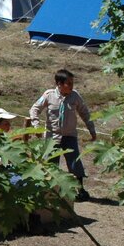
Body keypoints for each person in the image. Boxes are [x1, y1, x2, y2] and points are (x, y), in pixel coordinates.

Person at [29, 69, 97, 201]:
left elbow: (85, 112)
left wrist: (92, 129)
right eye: (68, 83)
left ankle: (80, 190)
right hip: (52, 137)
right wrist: (36, 126)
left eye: (72, 83)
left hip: (69, 136)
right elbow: (34, 109)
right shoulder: (48, 95)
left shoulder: (75, 96)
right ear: (59, 84)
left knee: (74, 163)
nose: (71, 86)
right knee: (51, 164)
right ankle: (50, 190)